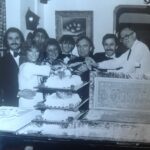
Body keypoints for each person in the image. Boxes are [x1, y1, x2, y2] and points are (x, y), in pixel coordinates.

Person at [18, 41, 50, 108]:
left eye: (37, 51)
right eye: (30, 51)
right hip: (28, 103)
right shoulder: (27, 66)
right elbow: (48, 70)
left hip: (35, 102)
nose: (34, 54)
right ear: (25, 52)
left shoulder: (31, 66)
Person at [0, 27, 25, 106]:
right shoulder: (2, 61)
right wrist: (19, 93)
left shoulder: (29, 57)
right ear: (6, 41)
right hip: (12, 101)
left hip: (30, 100)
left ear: (21, 40)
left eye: (17, 38)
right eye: (10, 38)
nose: (14, 41)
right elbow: (3, 83)